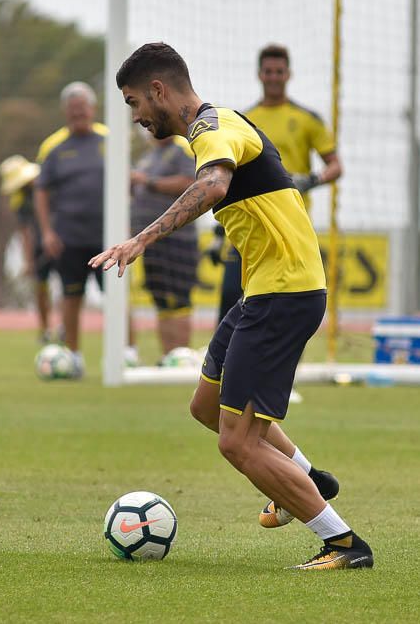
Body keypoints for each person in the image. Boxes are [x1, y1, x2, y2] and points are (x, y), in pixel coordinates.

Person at [89, 42, 373, 570]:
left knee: (237, 444)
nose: (137, 117)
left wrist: (141, 240)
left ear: (158, 90)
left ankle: (343, 544)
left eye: (134, 103)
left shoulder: (211, 129)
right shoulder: (220, 124)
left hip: (284, 294)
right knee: (205, 405)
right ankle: (307, 477)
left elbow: (214, 183)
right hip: (264, 291)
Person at [210, 43, 343, 322]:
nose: (273, 77)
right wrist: (217, 233)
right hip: (248, 226)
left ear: (288, 75)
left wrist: (311, 179)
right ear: (259, 74)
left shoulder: (306, 119)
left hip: (289, 225)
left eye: (279, 71)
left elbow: (335, 166)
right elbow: (227, 174)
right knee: (232, 298)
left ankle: (280, 365)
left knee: (287, 305)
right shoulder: (243, 120)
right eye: (268, 71)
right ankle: (222, 365)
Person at [34, 82, 106, 378]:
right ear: (66, 112)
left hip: (107, 239)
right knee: (70, 297)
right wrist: (47, 232)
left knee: (117, 297)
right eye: (73, 110)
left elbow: (127, 182)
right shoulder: (53, 147)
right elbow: (40, 191)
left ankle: (126, 354)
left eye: (83, 108)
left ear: (93, 108)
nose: (78, 114)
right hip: (69, 238)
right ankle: (73, 357)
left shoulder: (108, 140)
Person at [130, 136, 198, 361]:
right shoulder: (149, 155)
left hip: (177, 238)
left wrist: (148, 181)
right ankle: (169, 357)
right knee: (161, 300)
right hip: (152, 241)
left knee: (178, 299)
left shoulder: (182, 150)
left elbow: (193, 184)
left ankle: (182, 357)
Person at [0, 154, 56, 343]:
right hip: (40, 246)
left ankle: (63, 327)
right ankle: (45, 330)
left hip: (61, 240)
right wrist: (29, 260)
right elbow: (26, 231)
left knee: (67, 286)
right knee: (40, 287)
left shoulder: (50, 186)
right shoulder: (20, 200)